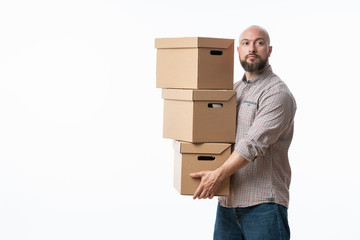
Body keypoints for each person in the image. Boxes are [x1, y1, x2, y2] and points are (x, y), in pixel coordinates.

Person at [190, 25, 297, 240]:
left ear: (269, 50)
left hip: (263, 206)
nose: (252, 49)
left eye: (259, 43)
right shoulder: (234, 89)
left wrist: (216, 176)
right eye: (246, 43)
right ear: (238, 50)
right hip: (228, 203)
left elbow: (252, 144)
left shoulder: (277, 93)